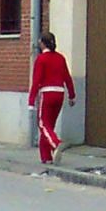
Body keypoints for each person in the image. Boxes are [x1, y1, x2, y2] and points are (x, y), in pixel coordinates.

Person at [29, 32, 77, 165]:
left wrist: (31, 100)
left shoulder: (41, 59)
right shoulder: (60, 58)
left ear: (42, 43)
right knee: (49, 126)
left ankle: (56, 144)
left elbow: (36, 80)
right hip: (60, 93)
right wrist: (72, 96)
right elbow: (67, 77)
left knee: (42, 124)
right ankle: (46, 157)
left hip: (47, 93)